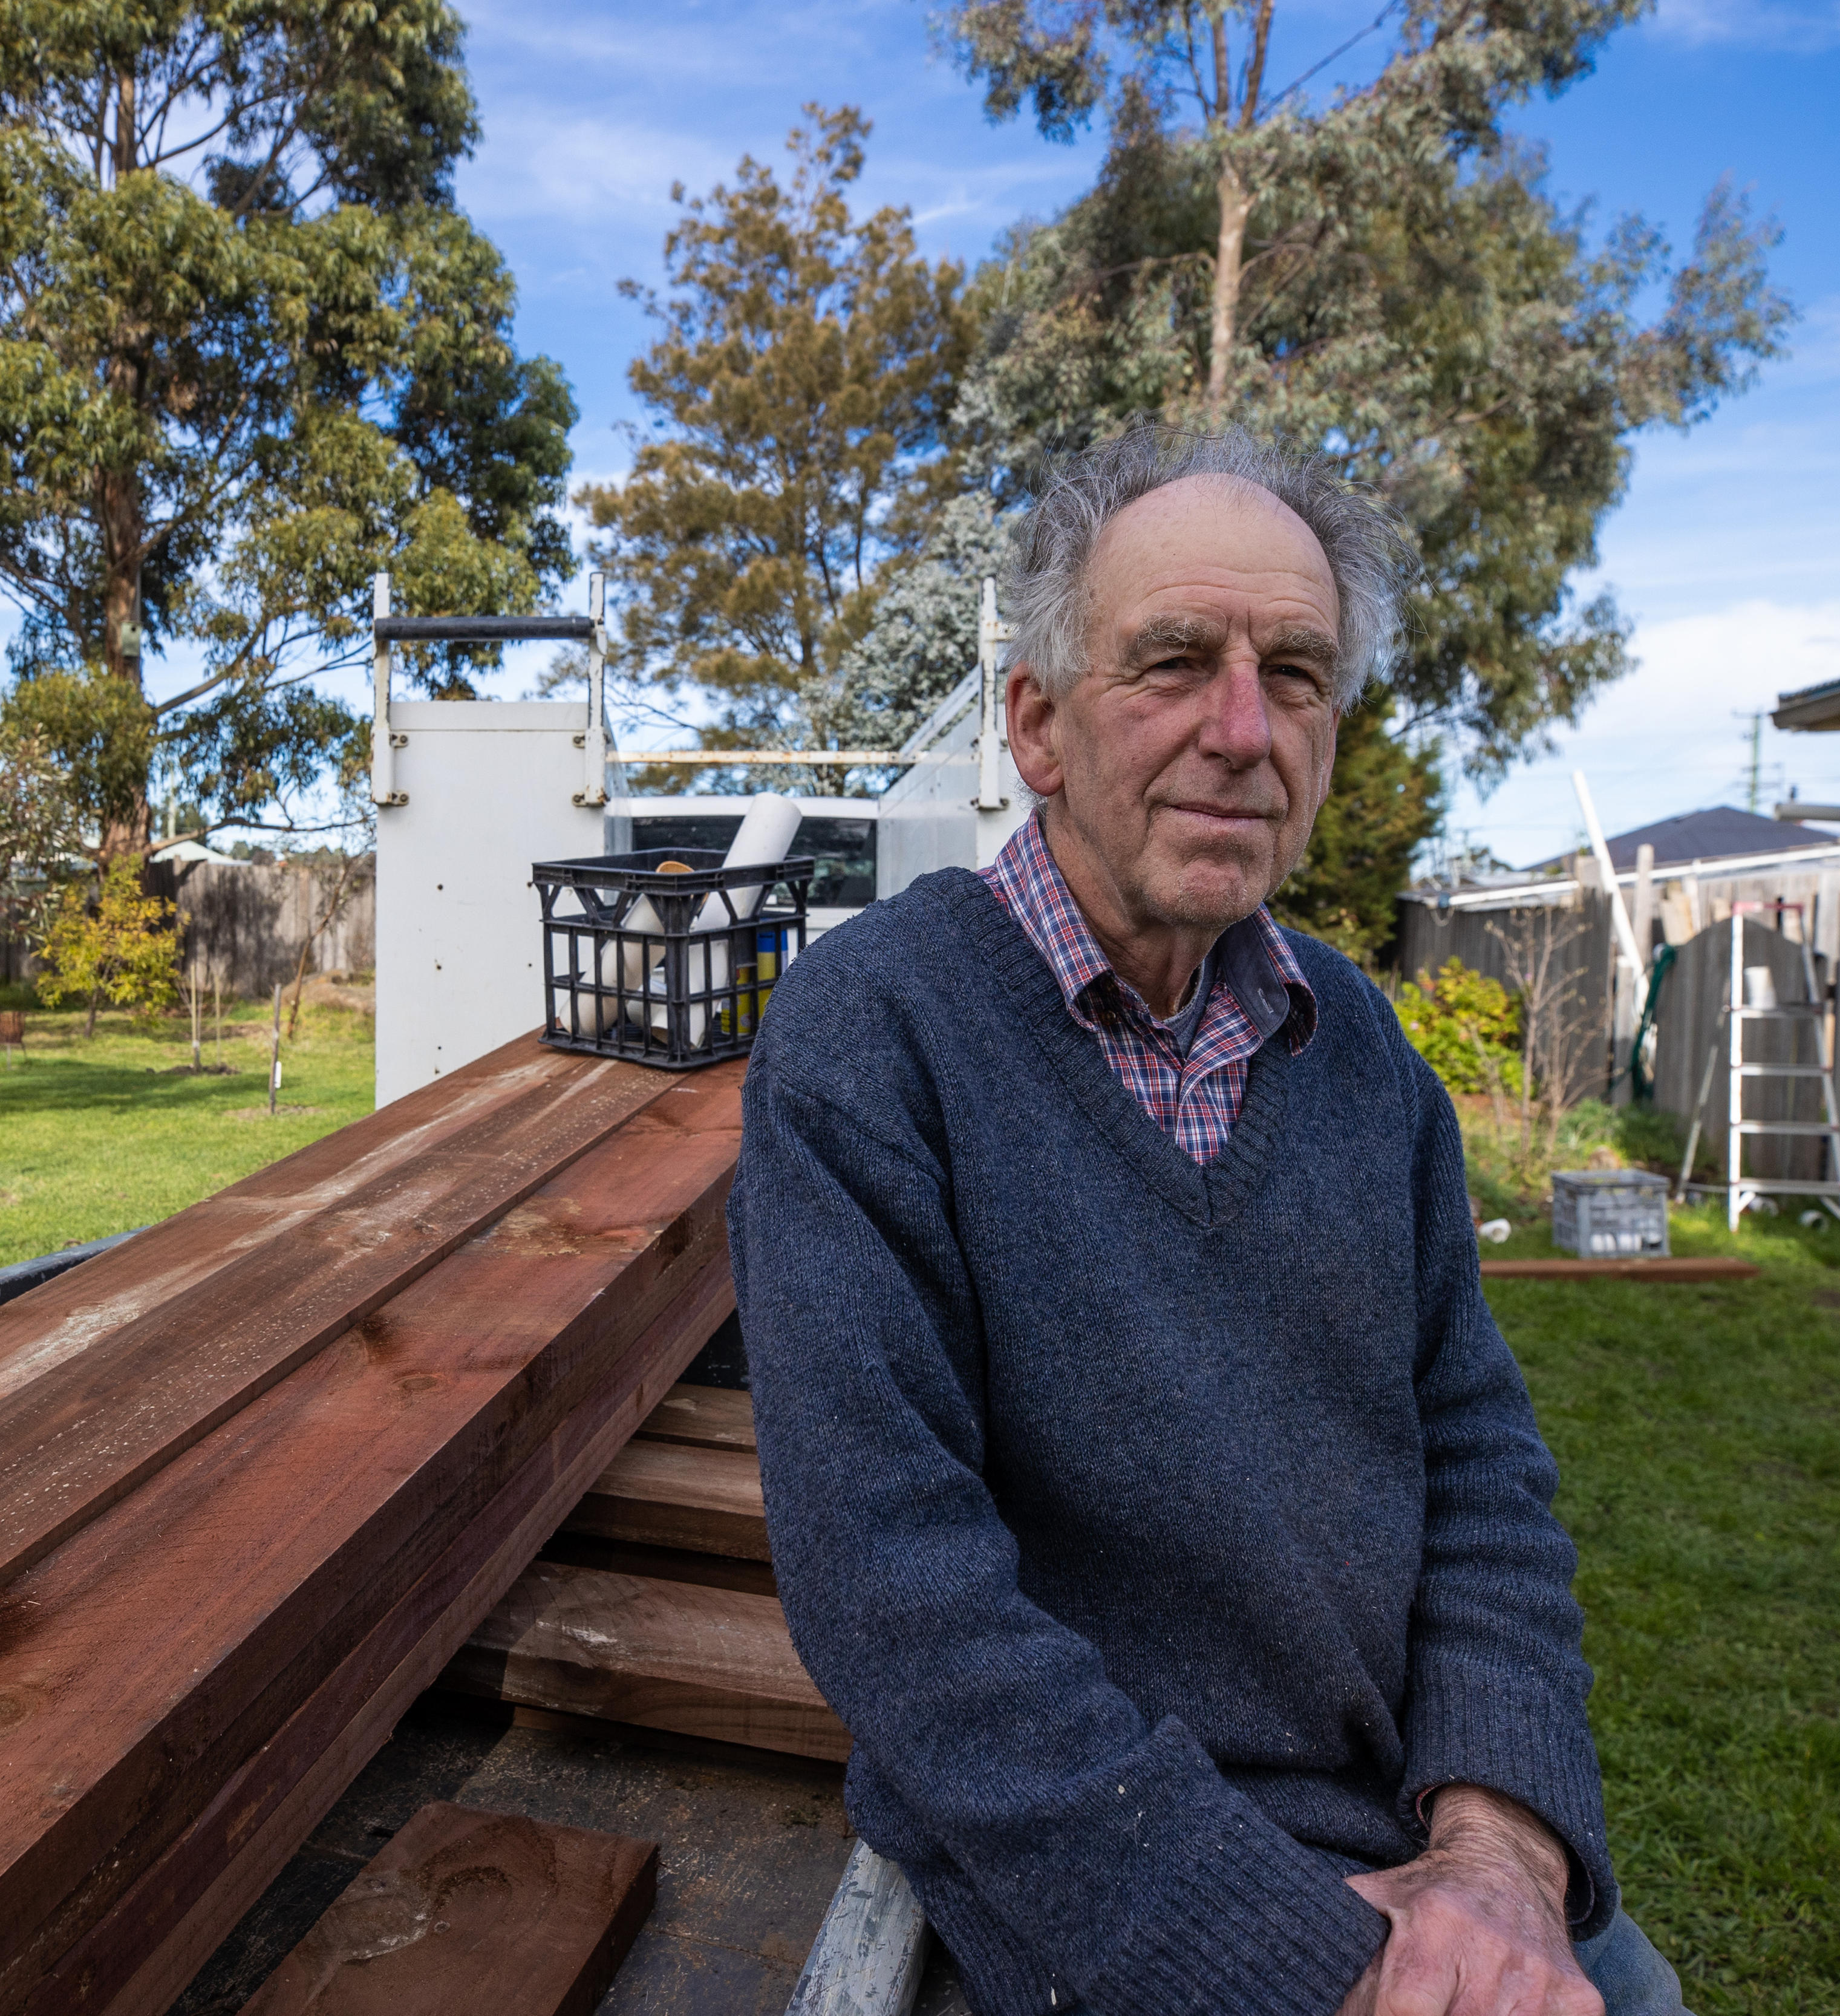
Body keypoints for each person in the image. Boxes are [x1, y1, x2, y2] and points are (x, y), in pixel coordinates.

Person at [729, 428, 1688, 2016]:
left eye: (1296, 675)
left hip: (1432, 1868)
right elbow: (896, 1595)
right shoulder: (874, 1038)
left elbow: (1486, 1474)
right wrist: (1301, 1958)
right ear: (1035, 725)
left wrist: (1497, 1854)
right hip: (1101, 1900)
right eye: (1174, 662)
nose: (1245, 731)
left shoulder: (1364, 1059)